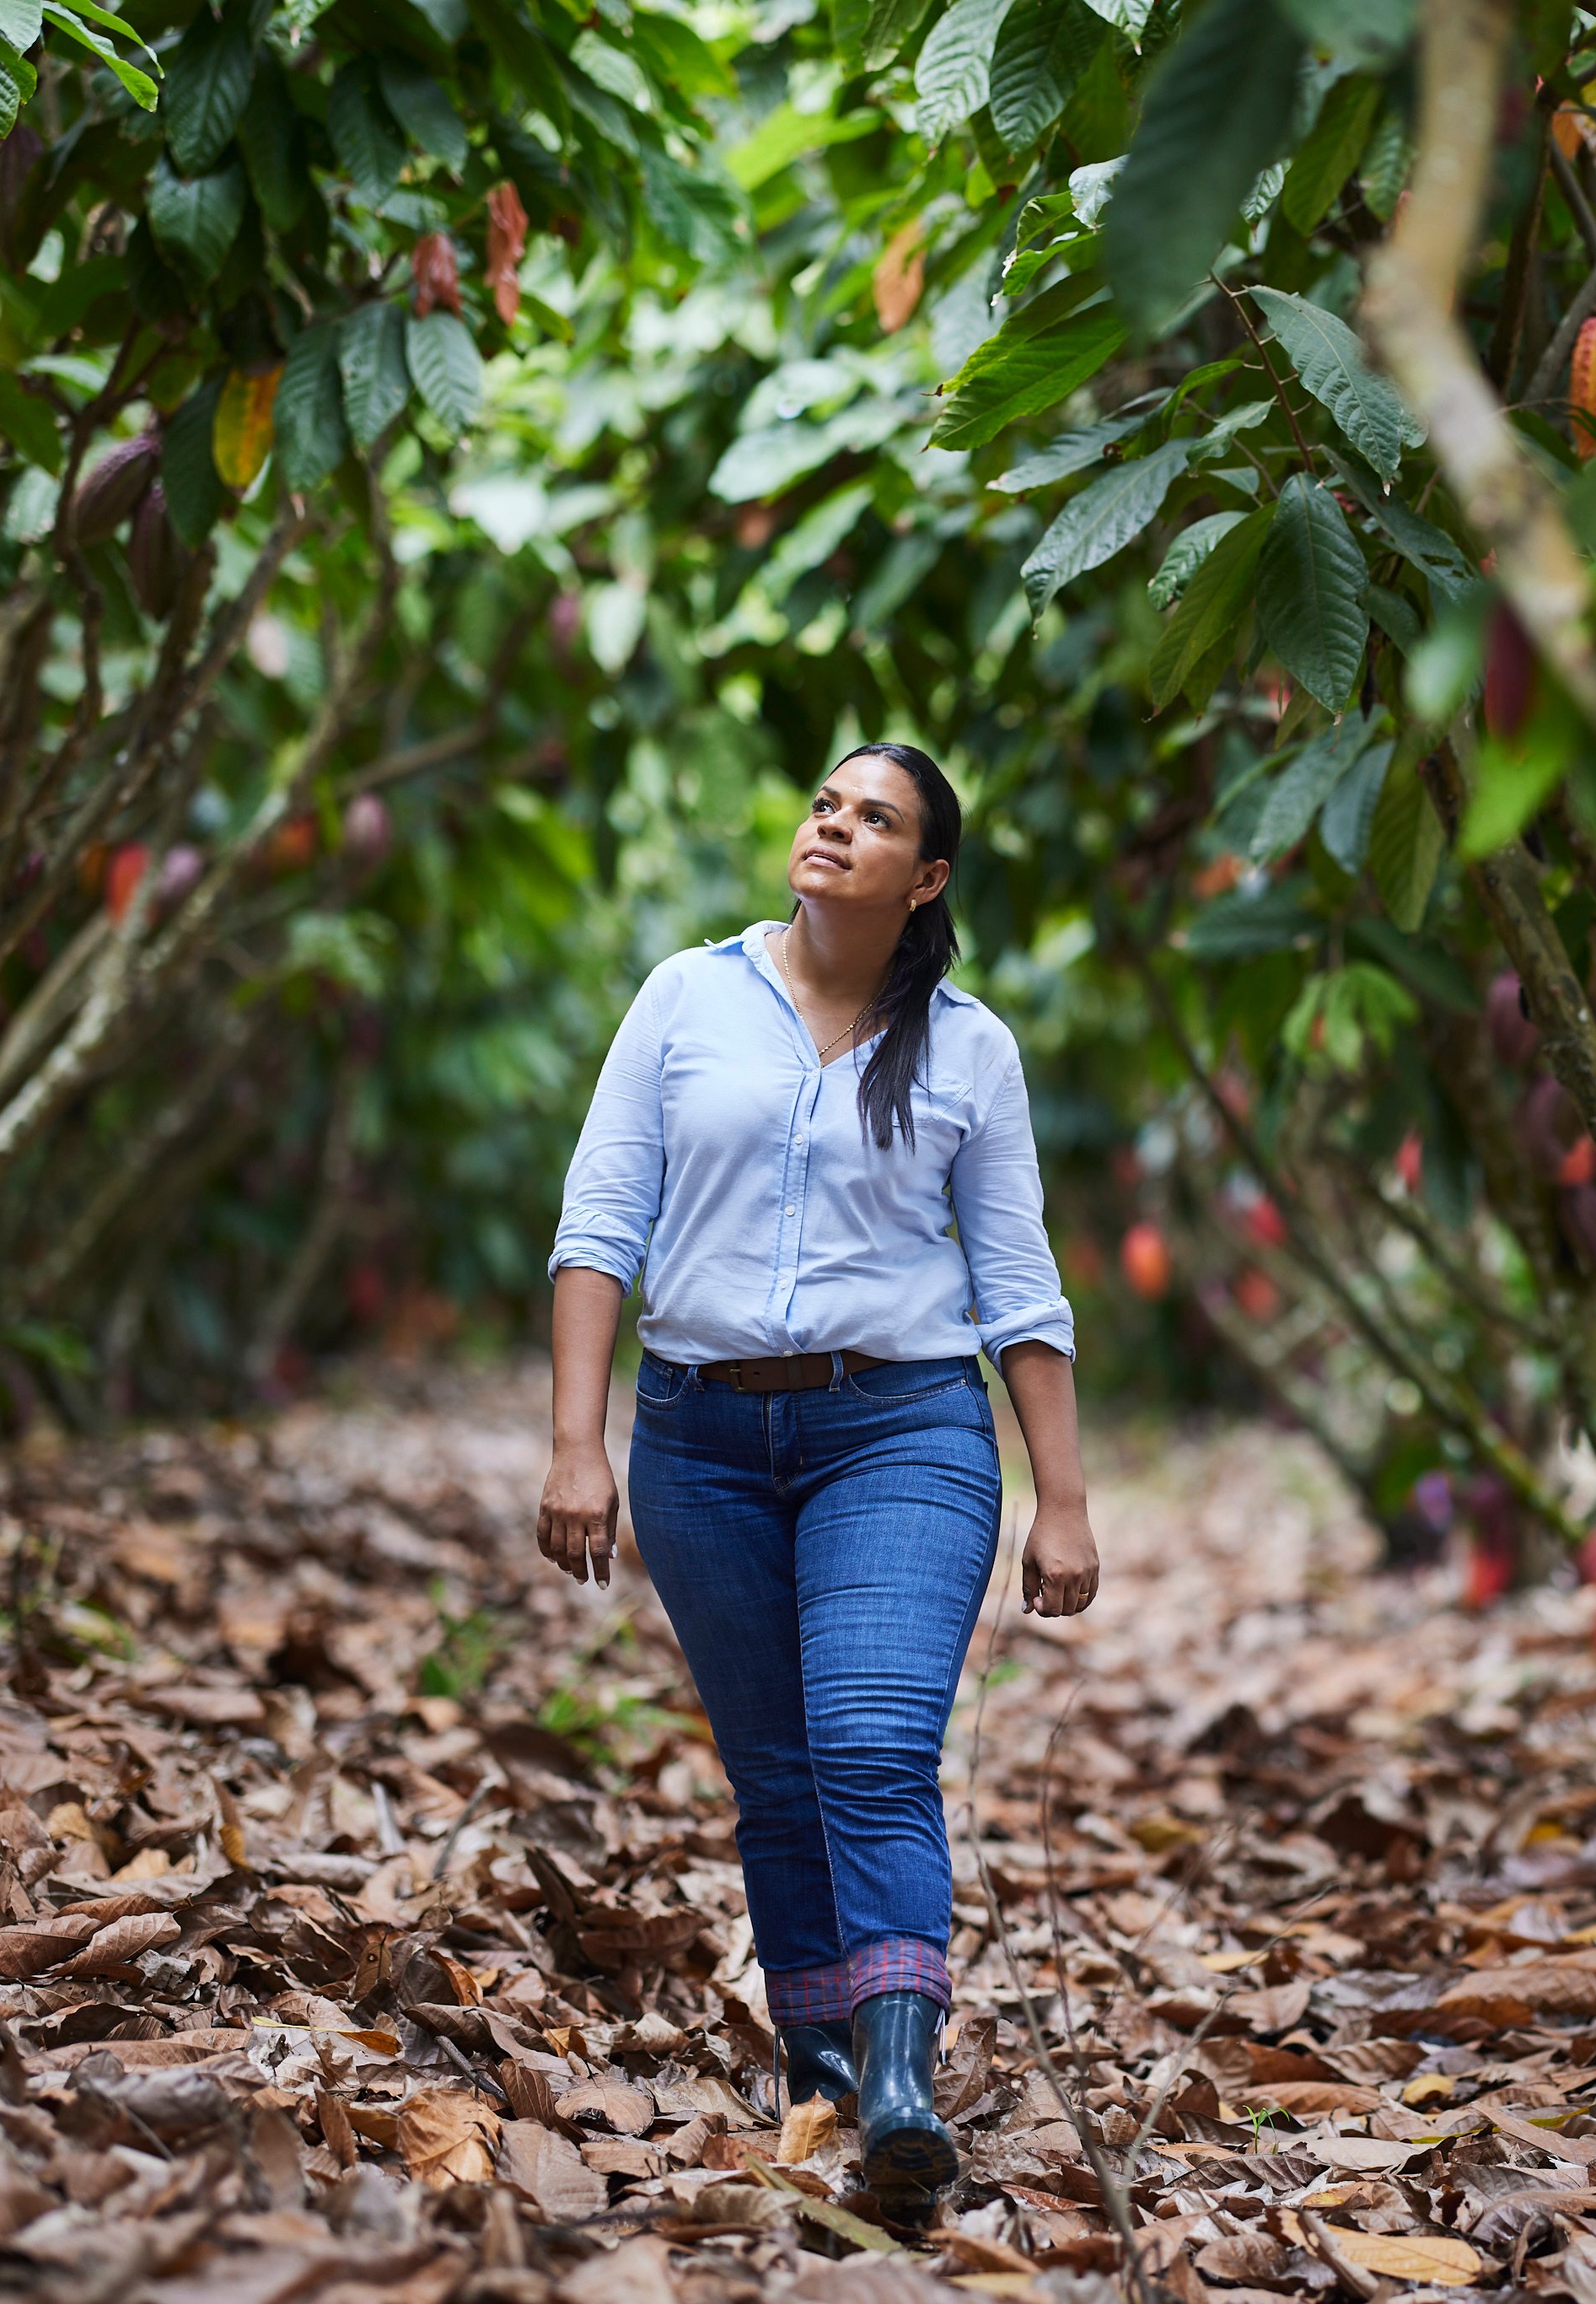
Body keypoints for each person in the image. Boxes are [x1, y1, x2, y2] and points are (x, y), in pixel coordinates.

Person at [535, 741, 1099, 2217]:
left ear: (926, 881)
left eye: (877, 820)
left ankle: (903, 2077)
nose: (834, 829)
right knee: (775, 1776)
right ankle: (823, 2065)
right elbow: (601, 1221)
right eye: (826, 805)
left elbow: (1018, 1281)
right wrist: (576, 1443)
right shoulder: (685, 999)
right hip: (699, 1440)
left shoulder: (970, 1049)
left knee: (866, 1745)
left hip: (899, 1429)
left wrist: (1065, 1495)